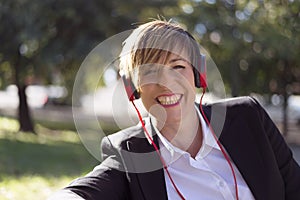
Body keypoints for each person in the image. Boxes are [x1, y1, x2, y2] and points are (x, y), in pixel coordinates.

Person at [49, 19, 300, 200]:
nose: (166, 83)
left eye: (178, 66)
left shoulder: (248, 116)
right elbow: (88, 191)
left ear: (198, 75)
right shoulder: (128, 151)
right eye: (149, 72)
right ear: (131, 88)